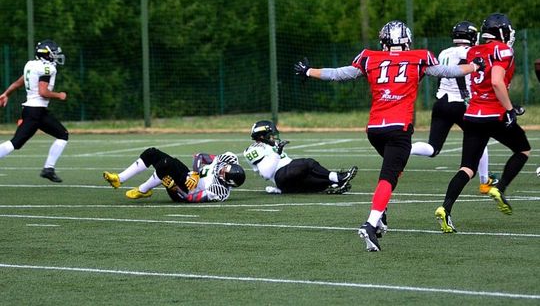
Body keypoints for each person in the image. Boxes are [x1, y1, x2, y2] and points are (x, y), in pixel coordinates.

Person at [294, 20, 483, 251]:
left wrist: (309, 71)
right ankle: (370, 224)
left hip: (375, 129)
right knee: (388, 177)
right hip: (398, 128)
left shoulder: (370, 57)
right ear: (407, 41)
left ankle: (381, 214)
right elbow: (448, 72)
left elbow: (339, 74)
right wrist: (474, 66)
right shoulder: (418, 57)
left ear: (383, 41)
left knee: (394, 170)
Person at [435, 13, 531, 233]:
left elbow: (478, 81)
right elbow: (496, 81)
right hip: (494, 114)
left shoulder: (473, 51)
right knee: (523, 150)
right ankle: (500, 187)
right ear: (501, 32)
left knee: (467, 168)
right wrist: (509, 109)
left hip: (473, 114)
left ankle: (445, 208)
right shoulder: (503, 50)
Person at [410, 21, 496, 194]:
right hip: (460, 103)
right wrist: (466, 95)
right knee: (480, 138)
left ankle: (405, 149)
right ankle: (485, 181)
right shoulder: (469, 52)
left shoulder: (444, 52)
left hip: (441, 102)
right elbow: (461, 72)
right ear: (471, 36)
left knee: (433, 148)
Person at [0, 39, 68, 183]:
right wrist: (59, 95)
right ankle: (48, 169)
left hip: (36, 111)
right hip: (35, 112)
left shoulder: (30, 64)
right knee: (15, 143)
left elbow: (18, 83)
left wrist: (6, 93)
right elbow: (43, 92)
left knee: (63, 134)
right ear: (46, 54)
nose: (56, 55)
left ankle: (48, 169)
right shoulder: (47, 68)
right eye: (54, 53)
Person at [243, 120, 358, 194]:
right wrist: (276, 153)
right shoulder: (254, 149)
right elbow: (266, 174)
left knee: (317, 182)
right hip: (281, 176)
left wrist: (277, 152)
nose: (274, 137)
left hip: (288, 181)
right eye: (271, 135)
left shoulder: (272, 145)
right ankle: (338, 177)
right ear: (261, 136)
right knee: (308, 163)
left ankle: (335, 185)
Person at [103, 147, 245, 202]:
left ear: (228, 182)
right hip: (189, 176)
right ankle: (119, 179)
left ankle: (143, 190)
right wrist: (195, 173)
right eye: (224, 168)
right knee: (151, 153)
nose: (221, 169)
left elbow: (190, 198)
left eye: (223, 173)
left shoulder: (220, 191)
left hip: (184, 190)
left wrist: (174, 188)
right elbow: (200, 156)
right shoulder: (229, 159)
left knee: (166, 165)